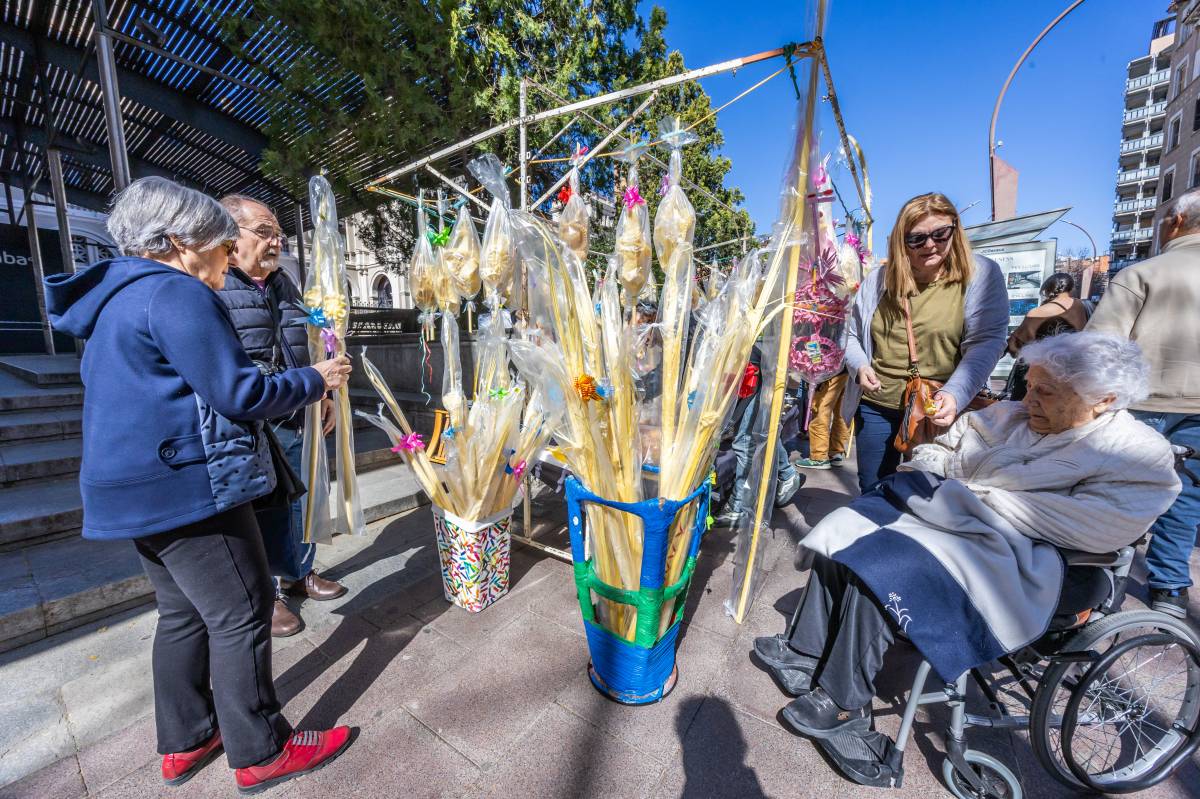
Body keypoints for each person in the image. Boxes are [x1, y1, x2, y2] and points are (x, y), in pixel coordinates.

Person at [43, 177, 355, 793]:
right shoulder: (175, 292)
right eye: (222, 243)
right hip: (187, 486)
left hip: (133, 491)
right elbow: (240, 392)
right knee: (242, 612)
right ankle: (262, 749)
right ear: (182, 242)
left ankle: (187, 738)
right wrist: (316, 379)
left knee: (182, 613)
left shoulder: (118, 297)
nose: (227, 257)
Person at [755, 332, 1180, 738]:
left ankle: (844, 704)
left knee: (889, 566)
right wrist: (961, 492)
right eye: (1030, 386)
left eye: (1046, 392)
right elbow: (931, 453)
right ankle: (807, 649)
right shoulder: (1008, 415)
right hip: (954, 525)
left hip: (1036, 564)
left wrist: (965, 494)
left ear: (1103, 400)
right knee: (852, 525)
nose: (1028, 399)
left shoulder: (1137, 453)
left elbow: (1093, 525)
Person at [216, 194, 346, 638]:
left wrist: (322, 395)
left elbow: (303, 341)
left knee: (299, 499)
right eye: (264, 232)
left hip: (295, 407)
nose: (276, 242)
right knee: (261, 508)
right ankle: (266, 592)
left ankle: (298, 572)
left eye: (279, 234)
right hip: (253, 417)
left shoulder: (283, 282)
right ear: (231, 236)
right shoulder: (216, 284)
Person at [842, 193, 1008, 494]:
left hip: (937, 408)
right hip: (877, 405)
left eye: (940, 234)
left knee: (932, 494)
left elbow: (986, 341)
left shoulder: (981, 274)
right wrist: (860, 365)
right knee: (874, 490)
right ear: (901, 241)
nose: (930, 245)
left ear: (955, 230)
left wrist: (954, 393)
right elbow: (850, 335)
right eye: (917, 239)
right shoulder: (878, 280)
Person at [1087, 192, 1200, 618]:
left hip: (1139, 405)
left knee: (1120, 491)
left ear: (1176, 221)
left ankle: (1103, 582)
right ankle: (1170, 589)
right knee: (1185, 499)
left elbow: (1098, 349)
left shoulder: (1141, 274)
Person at [715, 347, 803, 526]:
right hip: (752, 368)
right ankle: (786, 474)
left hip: (755, 371)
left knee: (745, 440)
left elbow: (767, 345)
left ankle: (739, 506)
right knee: (757, 434)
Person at [1004, 272, 1088, 401]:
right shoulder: (1082, 306)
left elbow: (1015, 346)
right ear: (1071, 288)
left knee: (1027, 410)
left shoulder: (1037, 312)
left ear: (1047, 290)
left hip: (1038, 377)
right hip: (1073, 376)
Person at [794, 371, 850, 470]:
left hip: (831, 372)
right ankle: (836, 453)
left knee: (820, 411)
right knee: (841, 413)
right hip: (849, 371)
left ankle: (819, 457)